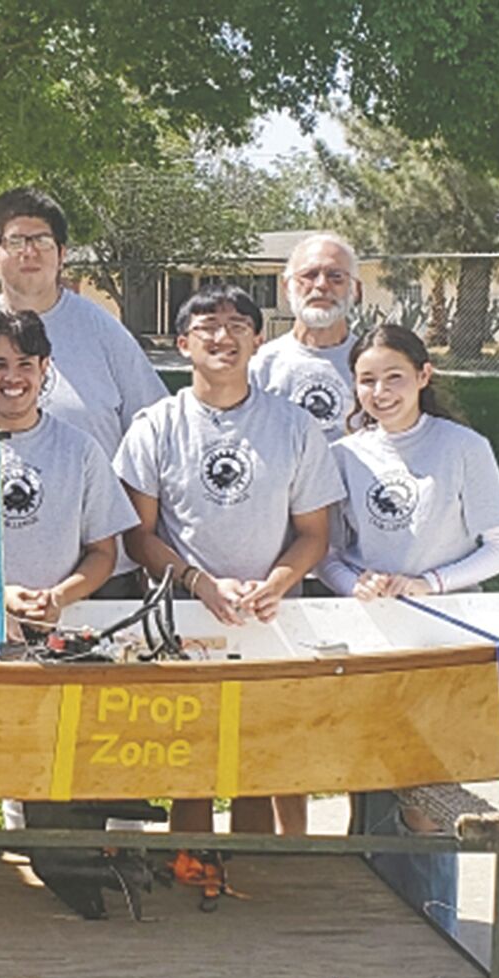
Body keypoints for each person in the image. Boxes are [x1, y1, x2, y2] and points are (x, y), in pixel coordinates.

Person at [115, 284, 344, 836]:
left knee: (261, 759)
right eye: (208, 327)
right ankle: (191, 866)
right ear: (182, 343)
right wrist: (199, 584)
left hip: (271, 617)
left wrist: (276, 584)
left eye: (238, 325)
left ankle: (257, 873)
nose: (224, 337)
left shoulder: (294, 427)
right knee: (190, 762)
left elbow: (316, 532)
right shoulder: (156, 426)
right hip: (185, 617)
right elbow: (136, 537)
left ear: (258, 340)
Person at [320, 324, 499, 934]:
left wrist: (429, 583)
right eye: (367, 380)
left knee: (426, 797)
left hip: (443, 640)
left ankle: (435, 931)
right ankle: (371, 923)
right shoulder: (343, 455)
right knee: (370, 788)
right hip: (371, 640)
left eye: (394, 378)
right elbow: (329, 553)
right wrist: (354, 584)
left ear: (423, 376)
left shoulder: (463, 448)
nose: (380, 392)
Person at [0, 308, 138, 829]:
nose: (12, 377)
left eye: (24, 363)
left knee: (55, 784)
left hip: (55, 643)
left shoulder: (79, 449)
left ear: (45, 368)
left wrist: (59, 596)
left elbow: (103, 551)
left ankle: (59, 876)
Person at [0, 187, 170, 600]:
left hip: (103, 572)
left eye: (42, 241)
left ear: (62, 253)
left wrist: (148, 542)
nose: (30, 252)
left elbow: (153, 436)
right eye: (16, 241)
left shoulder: (104, 332)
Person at [250, 233, 363, 441]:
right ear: (286, 288)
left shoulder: (369, 362)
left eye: (335, 276)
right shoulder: (262, 364)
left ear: (355, 290)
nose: (321, 285)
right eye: (309, 275)